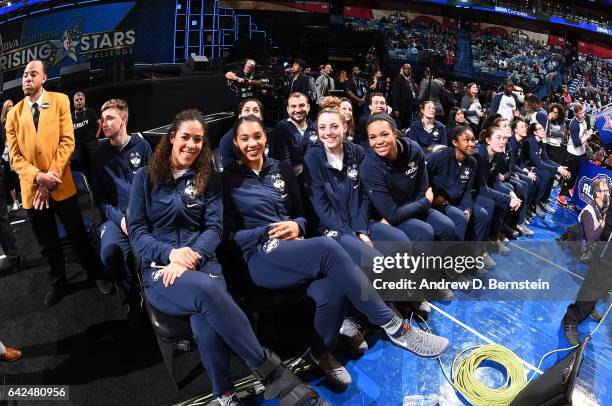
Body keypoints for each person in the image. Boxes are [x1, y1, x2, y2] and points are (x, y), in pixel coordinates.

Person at [223, 114, 450, 387]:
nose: (252, 143)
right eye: (245, 138)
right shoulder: (227, 180)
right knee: (330, 247)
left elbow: (301, 215)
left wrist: (296, 225)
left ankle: (321, 352)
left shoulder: (281, 169)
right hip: (261, 254)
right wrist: (268, 231)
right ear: (235, 143)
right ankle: (394, 326)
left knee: (332, 289)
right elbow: (231, 236)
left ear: (265, 138)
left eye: (257, 136)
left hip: (296, 247)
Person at [128, 109, 321, 406]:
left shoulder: (208, 179)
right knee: (206, 291)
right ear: (171, 138)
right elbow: (138, 232)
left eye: (198, 140)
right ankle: (271, 373)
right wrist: (171, 254)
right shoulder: (144, 177)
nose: (191, 145)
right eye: (185, 138)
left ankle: (224, 394)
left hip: (203, 263)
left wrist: (191, 257)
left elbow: (215, 228)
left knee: (206, 328)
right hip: (161, 270)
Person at [5, 60, 112, 306]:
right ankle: (59, 282)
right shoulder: (13, 114)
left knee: (78, 236)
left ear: (44, 78)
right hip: (32, 192)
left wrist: (48, 178)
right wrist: (38, 178)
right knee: (47, 244)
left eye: (33, 74)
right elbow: (15, 157)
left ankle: (96, 274)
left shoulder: (61, 101)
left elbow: (67, 143)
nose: (27, 78)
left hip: (60, 186)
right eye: (24, 75)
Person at [360, 113, 456, 300]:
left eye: (384, 134)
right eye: (373, 137)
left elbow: (423, 188)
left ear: (395, 133)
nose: (379, 141)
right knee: (424, 231)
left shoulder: (414, 149)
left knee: (447, 227)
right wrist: (425, 202)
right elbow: (393, 214)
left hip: (409, 207)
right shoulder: (369, 167)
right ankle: (413, 288)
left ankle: (431, 278)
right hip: (385, 217)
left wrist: (422, 202)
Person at [92, 99, 152, 322]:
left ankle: (154, 294)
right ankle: (132, 296)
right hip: (115, 218)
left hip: (145, 215)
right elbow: (101, 202)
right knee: (109, 254)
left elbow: (153, 186)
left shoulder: (143, 146)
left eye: (110, 118)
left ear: (123, 119)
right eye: (102, 118)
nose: (104, 123)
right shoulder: (99, 157)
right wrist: (121, 220)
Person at [426, 126, 496, 268]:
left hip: (457, 201)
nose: (472, 143)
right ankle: (451, 269)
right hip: (439, 202)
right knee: (460, 218)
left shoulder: (472, 162)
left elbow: (467, 190)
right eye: (466, 140)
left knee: (482, 215)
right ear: (455, 142)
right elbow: (422, 178)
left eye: (473, 140)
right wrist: (434, 196)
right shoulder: (438, 158)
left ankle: (474, 256)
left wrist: (468, 208)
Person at [562, 178, 610, 346]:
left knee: (602, 283)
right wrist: (603, 226)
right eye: (604, 191)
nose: (607, 193)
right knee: (597, 280)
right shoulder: (591, 210)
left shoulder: (603, 208)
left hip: (601, 245)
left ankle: (589, 306)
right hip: (593, 249)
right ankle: (572, 318)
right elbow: (591, 236)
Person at [474, 126, 523, 254]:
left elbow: (495, 181)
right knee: (490, 204)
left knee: (503, 200)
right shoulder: (479, 154)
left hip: (479, 189)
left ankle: (492, 239)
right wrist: (508, 198)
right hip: (470, 192)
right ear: (488, 140)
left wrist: (510, 193)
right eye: (498, 138)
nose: (503, 141)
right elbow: (482, 188)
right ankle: (480, 251)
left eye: (504, 138)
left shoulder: (495, 156)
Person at [523, 122, 571, 215]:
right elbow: (539, 163)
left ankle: (543, 201)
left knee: (551, 174)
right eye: (540, 129)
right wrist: (557, 169)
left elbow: (547, 160)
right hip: (526, 166)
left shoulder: (540, 142)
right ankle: (534, 203)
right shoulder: (531, 141)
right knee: (546, 174)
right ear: (535, 132)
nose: (543, 130)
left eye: (542, 128)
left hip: (535, 165)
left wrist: (558, 167)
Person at [268, 92, 318, 175]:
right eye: (293, 106)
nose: (298, 110)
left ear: (308, 107)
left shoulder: (314, 127)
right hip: (294, 182)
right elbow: (283, 165)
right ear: (288, 109)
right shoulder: (282, 129)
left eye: (301, 105)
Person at [558, 102, 592, 205]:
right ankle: (561, 195)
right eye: (580, 113)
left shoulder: (586, 118)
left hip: (582, 151)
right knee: (568, 174)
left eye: (583, 112)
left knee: (577, 173)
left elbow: (590, 128)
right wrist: (587, 136)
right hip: (572, 152)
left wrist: (588, 134)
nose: (582, 115)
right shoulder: (573, 124)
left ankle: (570, 189)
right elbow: (577, 143)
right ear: (575, 114)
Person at [218, 98, 264, 169]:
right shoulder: (227, 140)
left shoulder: (267, 135)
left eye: (256, 110)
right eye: (247, 110)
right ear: (240, 116)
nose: (251, 113)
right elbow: (230, 170)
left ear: (261, 117)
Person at [71, 91, 101, 179]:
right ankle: (80, 181)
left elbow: (99, 123)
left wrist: (96, 136)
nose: (79, 101)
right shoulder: (71, 115)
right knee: (74, 161)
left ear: (84, 101)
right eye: (77, 100)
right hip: (78, 144)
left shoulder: (90, 111)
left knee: (97, 159)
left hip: (91, 141)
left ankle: (98, 178)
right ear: (74, 103)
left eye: (81, 99)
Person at [1, 99, 20, 211]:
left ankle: (25, 197)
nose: (11, 108)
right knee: (9, 178)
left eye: (12, 106)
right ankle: (15, 201)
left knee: (19, 176)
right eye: (8, 106)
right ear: (5, 109)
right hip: (6, 154)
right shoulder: (2, 122)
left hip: (17, 151)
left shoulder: (18, 119)